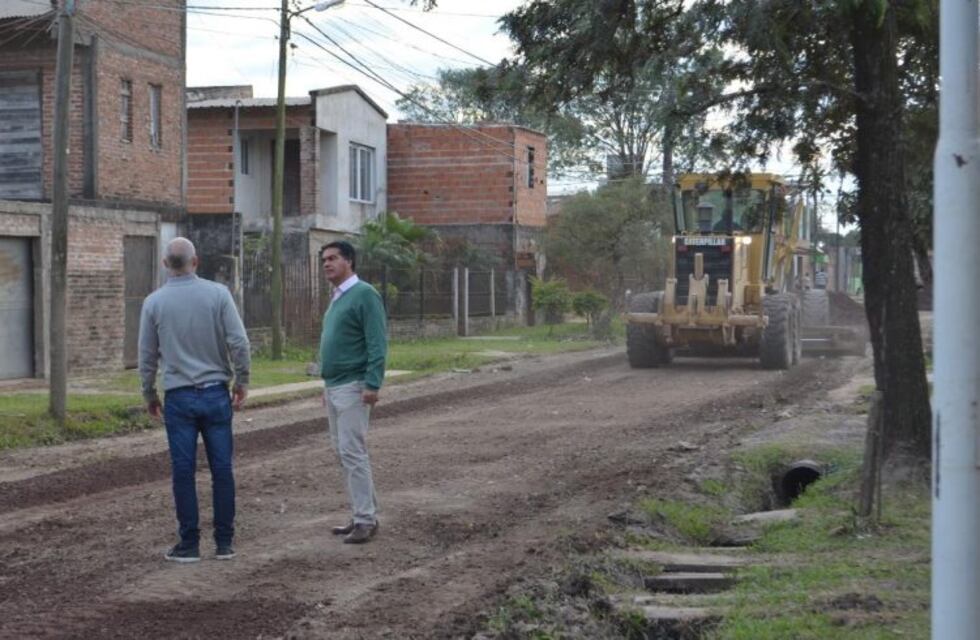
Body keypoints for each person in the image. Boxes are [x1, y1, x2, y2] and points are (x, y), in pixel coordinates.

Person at [138, 237, 250, 563]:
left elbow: (147, 356)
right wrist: (242, 381)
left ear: (164, 264)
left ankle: (188, 544)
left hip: (178, 396)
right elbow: (239, 343)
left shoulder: (154, 303)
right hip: (216, 393)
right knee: (222, 469)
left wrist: (149, 392)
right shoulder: (218, 295)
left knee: (183, 471)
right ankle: (224, 541)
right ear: (195, 261)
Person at [318, 240, 387, 544]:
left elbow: (377, 342)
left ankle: (365, 520)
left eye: (332, 258)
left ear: (349, 261)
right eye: (323, 260)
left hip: (354, 385)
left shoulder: (365, 295)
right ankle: (364, 511)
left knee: (352, 451)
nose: (327, 264)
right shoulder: (339, 296)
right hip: (335, 385)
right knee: (344, 452)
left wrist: (373, 383)